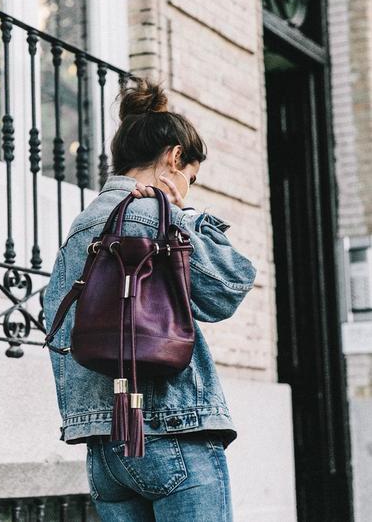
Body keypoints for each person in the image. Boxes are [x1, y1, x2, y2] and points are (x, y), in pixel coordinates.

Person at [43, 78, 257, 521]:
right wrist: (185, 214)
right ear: (173, 158)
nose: (188, 188)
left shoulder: (80, 231)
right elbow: (230, 285)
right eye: (190, 179)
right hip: (170, 431)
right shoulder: (153, 216)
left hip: (104, 449)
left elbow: (60, 329)